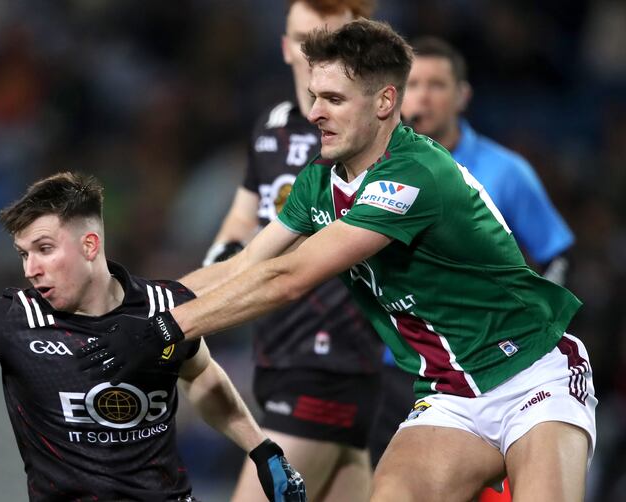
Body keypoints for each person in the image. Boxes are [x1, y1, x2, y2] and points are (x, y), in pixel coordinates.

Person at [78, 20, 597, 502]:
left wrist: (165, 330)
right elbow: (245, 265)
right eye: (312, 97)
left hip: (533, 374)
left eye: (333, 99)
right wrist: (132, 307)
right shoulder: (319, 181)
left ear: (384, 102)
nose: (315, 113)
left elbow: (289, 279)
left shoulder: (415, 175)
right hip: (449, 392)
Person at [0, 172, 307, 502]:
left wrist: (261, 448)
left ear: (90, 245)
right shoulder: (11, 317)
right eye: (24, 254)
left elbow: (203, 376)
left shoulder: (166, 309)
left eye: (44, 249)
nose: (31, 268)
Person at [368, 36, 579, 500]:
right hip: (403, 368)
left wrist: (532, 332)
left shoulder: (506, 170)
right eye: (413, 84)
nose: (422, 96)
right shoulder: (374, 170)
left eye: (436, 85)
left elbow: (554, 252)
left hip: (496, 370)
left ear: (462, 95)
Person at [203, 1, 382, 500]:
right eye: (303, 38)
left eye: (331, 38)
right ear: (285, 48)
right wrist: (218, 259)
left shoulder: (368, 135)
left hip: (331, 359)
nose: (313, 51)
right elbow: (243, 216)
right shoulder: (272, 126)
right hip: (279, 351)